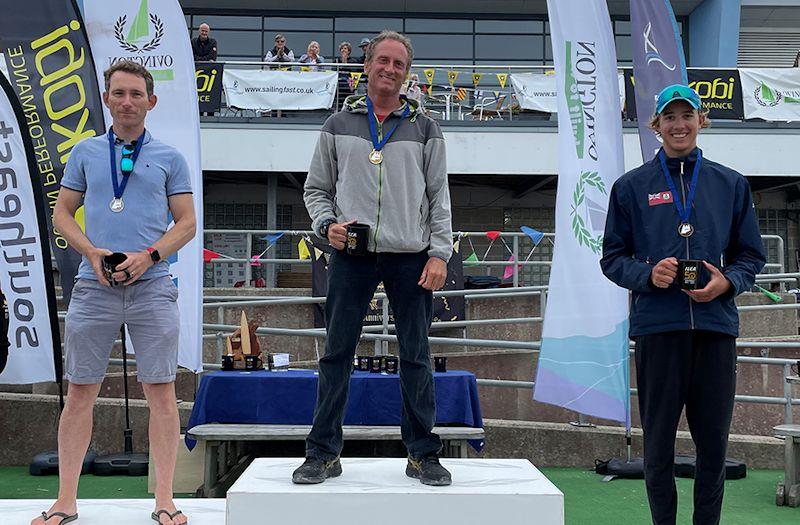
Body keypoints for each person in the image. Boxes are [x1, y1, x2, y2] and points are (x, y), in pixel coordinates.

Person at [34, 60, 196, 525]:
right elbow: (63, 214)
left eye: (136, 94)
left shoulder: (169, 157)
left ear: (151, 100)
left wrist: (149, 256)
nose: (128, 102)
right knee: (79, 391)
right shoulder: (85, 153)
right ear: (106, 98)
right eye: (119, 93)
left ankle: (164, 500)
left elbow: (186, 223)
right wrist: (90, 251)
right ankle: (65, 500)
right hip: (93, 287)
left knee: (161, 393)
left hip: (152, 288)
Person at [601, 84, 766, 525]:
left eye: (686, 115)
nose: (679, 125)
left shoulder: (730, 183)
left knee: (713, 446)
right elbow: (612, 257)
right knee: (657, 446)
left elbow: (753, 255)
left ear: (700, 121)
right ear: (656, 126)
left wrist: (727, 283)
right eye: (669, 117)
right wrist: (647, 275)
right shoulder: (631, 187)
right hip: (659, 330)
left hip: (715, 330)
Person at [297, 30, 453, 487]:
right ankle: (322, 452)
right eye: (381, 61)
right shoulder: (336, 125)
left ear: (407, 74)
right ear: (366, 66)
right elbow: (315, 190)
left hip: (411, 256)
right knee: (336, 355)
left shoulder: (426, 128)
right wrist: (328, 227)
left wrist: (439, 253)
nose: (388, 69)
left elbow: (439, 196)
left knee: (417, 356)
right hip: (352, 255)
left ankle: (422, 453)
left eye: (398, 64)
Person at [334, 41, 359, 109]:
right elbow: (333, 71)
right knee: (339, 103)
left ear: (349, 51)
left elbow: (354, 71)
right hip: (338, 86)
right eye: (342, 48)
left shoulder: (353, 61)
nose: (343, 50)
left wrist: (345, 62)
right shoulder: (336, 60)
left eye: (345, 48)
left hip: (349, 86)